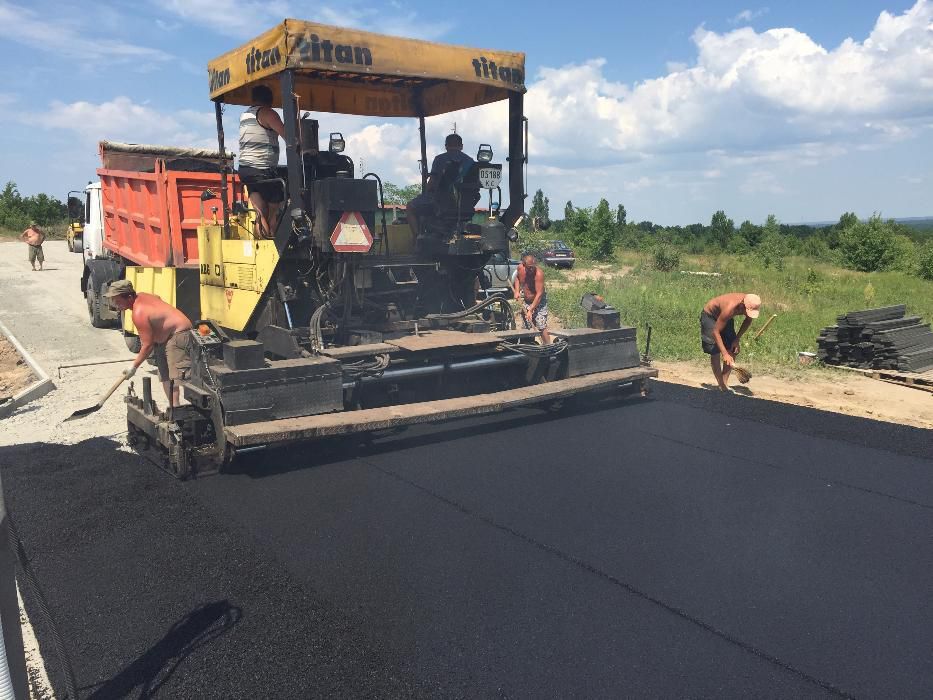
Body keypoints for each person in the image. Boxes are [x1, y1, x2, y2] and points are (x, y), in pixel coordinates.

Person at [103, 280, 193, 408]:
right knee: (164, 375)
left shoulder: (139, 313)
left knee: (176, 376)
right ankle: (174, 408)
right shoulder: (143, 295)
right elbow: (157, 298)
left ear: (129, 297)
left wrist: (133, 367)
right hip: (165, 337)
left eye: (117, 301)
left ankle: (179, 410)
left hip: (179, 333)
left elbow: (147, 345)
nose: (115, 305)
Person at [407, 133, 478, 239]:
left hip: (441, 203)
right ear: (461, 146)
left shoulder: (440, 159)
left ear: (446, 146)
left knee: (410, 206)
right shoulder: (470, 162)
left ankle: (417, 239)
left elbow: (432, 183)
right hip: (465, 205)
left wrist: (425, 193)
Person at [238, 85, 286, 239]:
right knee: (276, 208)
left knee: (260, 212)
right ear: (270, 100)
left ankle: (261, 243)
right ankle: (272, 239)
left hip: (246, 169)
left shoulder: (245, 115)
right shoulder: (268, 113)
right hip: (261, 169)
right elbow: (288, 135)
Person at [700, 292, 761, 391]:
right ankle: (721, 384)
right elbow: (716, 332)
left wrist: (736, 339)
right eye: (747, 311)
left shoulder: (751, 303)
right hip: (710, 316)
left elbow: (748, 321)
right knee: (714, 350)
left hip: (725, 318)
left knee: (733, 349)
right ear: (742, 305)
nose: (747, 314)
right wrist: (725, 354)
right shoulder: (730, 308)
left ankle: (724, 383)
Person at [513, 252, 551, 344]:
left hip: (539, 301)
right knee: (527, 325)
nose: (531, 269)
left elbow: (539, 294)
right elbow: (517, 278)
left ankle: (548, 346)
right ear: (524, 265)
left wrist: (531, 310)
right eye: (529, 267)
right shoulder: (520, 268)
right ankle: (528, 345)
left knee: (541, 324)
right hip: (527, 301)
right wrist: (517, 291)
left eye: (533, 267)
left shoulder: (539, 274)